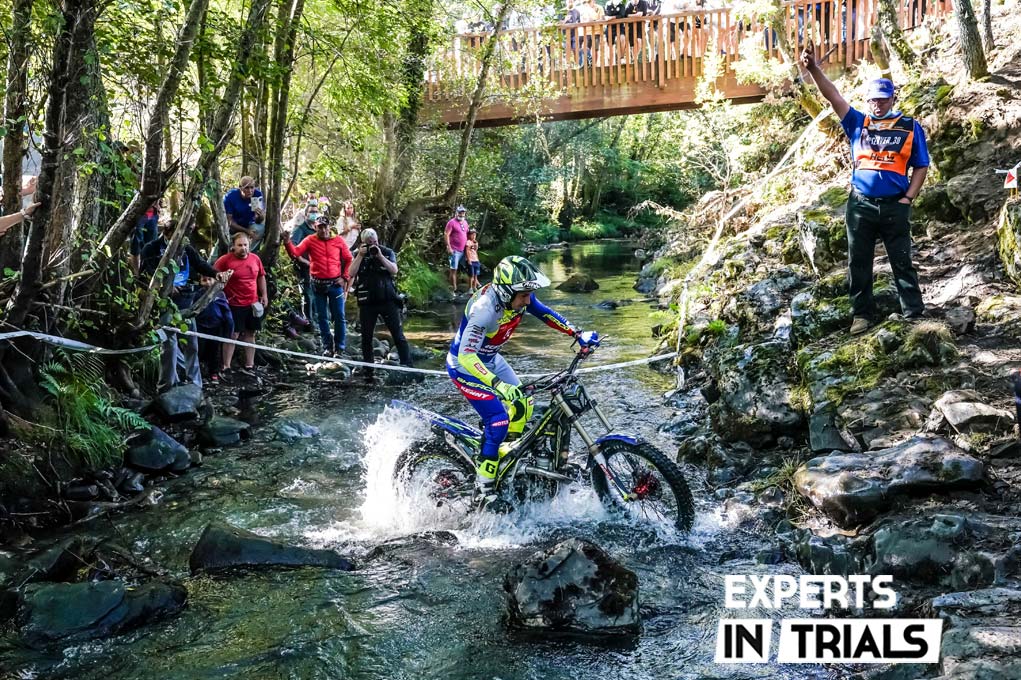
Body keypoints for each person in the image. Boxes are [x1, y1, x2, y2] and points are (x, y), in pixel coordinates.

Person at [447, 255, 599, 511]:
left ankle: (506, 460)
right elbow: (466, 355)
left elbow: (544, 313)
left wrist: (577, 333)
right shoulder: (484, 309)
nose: (528, 300)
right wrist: (499, 385)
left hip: (491, 359)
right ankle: (485, 489)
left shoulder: (518, 296)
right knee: (498, 419)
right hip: (465, 366)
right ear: (507, 292)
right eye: (524, 295)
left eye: (530, 294)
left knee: (523, 402)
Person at [802, 45, 928, 335]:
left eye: (882, 100)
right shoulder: (858, 122)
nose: (877, 104)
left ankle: (913, 310)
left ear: (892, 99)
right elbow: (833, 96)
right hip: (860, 205)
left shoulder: (910, 126)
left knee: (901, 259)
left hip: (896, 204)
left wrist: (909, 197)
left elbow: (921, 165)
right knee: (858, 261)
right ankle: (862, 315)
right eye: (872, 99)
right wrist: (814, 70)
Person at [140, 219, 231, 391]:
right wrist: (165, 286)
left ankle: (194, 383)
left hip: (186, 301)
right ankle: (167, 385)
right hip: (165, 303)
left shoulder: (187, 248)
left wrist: (216, 274)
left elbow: (200, 264)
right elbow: (145, 274)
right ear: (167, 234)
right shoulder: (151, 248)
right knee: (169, 345)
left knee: (191, 343)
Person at [282, 214, 354, 357]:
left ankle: (340, 347)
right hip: (318, 284)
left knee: (339, 316)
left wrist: (344, 277)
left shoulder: (338, 240)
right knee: (322, 317)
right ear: (315, 227)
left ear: (329, 227)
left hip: (335, 284)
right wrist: (287, 242)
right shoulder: (310, 240)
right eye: (320, 227)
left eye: (325, 227)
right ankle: (327, 347)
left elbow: (348, 258)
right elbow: (296, 252)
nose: (323, 230)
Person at [348, 228, 413, 382]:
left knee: (398, 334)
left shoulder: (387, 252)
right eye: (369, 243)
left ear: (377, 240)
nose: (372, 245)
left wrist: (380, 256)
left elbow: (394, 270)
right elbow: (351, 272)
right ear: (363, 243)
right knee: (366, 336)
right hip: (367, 303)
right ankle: (368, 367)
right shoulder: (359, 254)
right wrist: (361, 255)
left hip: (388, 300)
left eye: (374, 242)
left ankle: (407, 364)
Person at [214, 232, 268, 374]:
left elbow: (261, 276)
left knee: (251, 334)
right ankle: (226, 365)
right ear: (233, 246)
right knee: (233, 334)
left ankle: (250, 365)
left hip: (252, 303)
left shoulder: (255, 259)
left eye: (245, 245)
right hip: (234, 303)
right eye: (240, 245)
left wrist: (264, 295)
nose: (243, 248)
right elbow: (212, 274)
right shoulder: (225, 260)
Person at [195, 274, 234, 384]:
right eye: (204, 280)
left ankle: (214, 372)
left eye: (209, 279)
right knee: (199, 350)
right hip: (200, 326)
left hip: (216, 327)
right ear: (200, 282)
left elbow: (227, 312)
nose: (207, 282)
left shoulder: (220, 294)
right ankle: (199, 373)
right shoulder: (198, 294)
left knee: (214, 351)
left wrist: (229, 329)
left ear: (214, 281)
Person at [289, 209, 317, 323]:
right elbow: (292, 245)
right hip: (305, 267)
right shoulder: (301, 229)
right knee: (307, 294)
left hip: (316, 268)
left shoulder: (317, 229)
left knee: (315, 294)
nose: (313, 214)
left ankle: (316, 320)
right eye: (311, 211)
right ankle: (308, 321)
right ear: (305, 215)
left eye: (316, 211)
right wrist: (301, 260)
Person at [223, 176, 266, 251]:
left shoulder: (256, 194)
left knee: (260, 229)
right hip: (233, 227)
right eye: (247, 188)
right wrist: (247, 231)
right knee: (218, 253)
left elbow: (258, 220)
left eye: (252, 187)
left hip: (249, 224)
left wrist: (260, 216)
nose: (250, 191)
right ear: (240, 187)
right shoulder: (231, 196)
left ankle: (249, 253)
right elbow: (229, 222)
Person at [129, 200, 160, 275]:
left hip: (152, 214)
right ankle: (136, 273)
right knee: (136, 243)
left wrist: (157, 204)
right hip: (139, 213)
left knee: (151, 244)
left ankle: (146, 272)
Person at [445, 205, 470, 293]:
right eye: (460, 212)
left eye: (463, 212)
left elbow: (467, 235)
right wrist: (449, 247)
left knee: (467, 268)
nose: (461, 214)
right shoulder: (451, 222)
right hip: (454, 250)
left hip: (463, 250)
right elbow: (446, 234)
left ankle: (470, 288)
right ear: (456, 213)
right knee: (453, 270)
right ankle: (453, 290)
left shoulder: (465, 222)